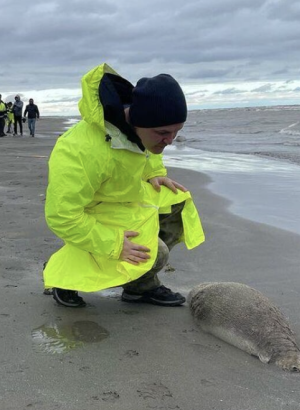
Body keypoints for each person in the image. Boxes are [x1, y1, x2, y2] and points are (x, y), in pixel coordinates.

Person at [43, 63, 205, 308]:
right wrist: (114, 244)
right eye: (163, 132)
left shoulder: (140, 129)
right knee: (156, 253)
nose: (170, 141)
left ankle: (139, 286)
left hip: (123, 198)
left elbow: (148, 151)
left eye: (176, 132)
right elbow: (62, 216)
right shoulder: (79, 150)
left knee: (177, 201)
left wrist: (155, 173)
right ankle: (65, 277)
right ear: (137, 122)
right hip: (94, 210)